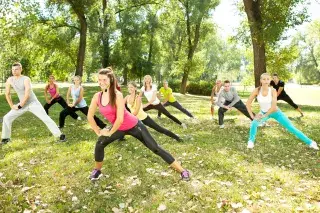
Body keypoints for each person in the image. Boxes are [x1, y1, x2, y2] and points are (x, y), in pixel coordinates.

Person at [87, 68, 190, 181]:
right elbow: (90, 116)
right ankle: (97, 170)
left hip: (134, 125)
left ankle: (183, 170)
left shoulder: (117, 95)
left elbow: (120, 118)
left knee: (155, 148)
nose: (101, 82)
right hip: (118, 127)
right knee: (100, 143)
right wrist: (98, 131)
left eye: (104, 80)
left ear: (111, 80)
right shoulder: (97, 96)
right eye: (99, 80)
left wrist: (109, 132)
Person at [246, 73, 318, 150]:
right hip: (263, 112)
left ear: (270, 80)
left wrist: (263, 116)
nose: (266, 81)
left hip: (276, 112)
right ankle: (251, 142)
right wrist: (252, 116)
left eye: (268, 79)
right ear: (261, 80)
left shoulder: (273, 90)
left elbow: (273, 107)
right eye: (264, 79)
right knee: (254, 122)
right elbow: (248, 103)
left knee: (291, 127)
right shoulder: (256, 90)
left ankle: (311, 142)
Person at [1, 62, 66, 144]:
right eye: (13, 69)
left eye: (16, 69)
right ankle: (6, 138)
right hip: (22, 104)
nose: (14, 71)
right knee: (7, 118)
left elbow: (27, 93)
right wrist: (12, 105)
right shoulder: (10, 80)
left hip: (32, 103)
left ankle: (60, 136)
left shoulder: (26, 79)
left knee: (45, 118)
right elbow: (7, 93)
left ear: (21, 70)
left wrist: (20, 105)